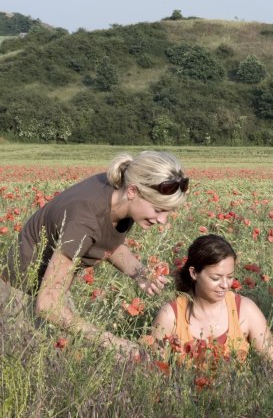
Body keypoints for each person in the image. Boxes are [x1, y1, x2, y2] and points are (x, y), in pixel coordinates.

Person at [1, 151, 189, 357]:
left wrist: (139, 272)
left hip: (49, 287)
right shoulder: (85, 218)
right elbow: (47, 306)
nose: (163, 220)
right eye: (158, 210)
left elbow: (106, 241)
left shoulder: (119, 194)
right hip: (18, 297)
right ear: (133, 191)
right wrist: (114, 342)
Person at [152, 234, 273, 365]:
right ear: (194, 273)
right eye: (215, 278)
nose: (225, 285)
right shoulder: (171, 316)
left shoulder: (245, 310)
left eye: (230, 277)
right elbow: (153, 372)